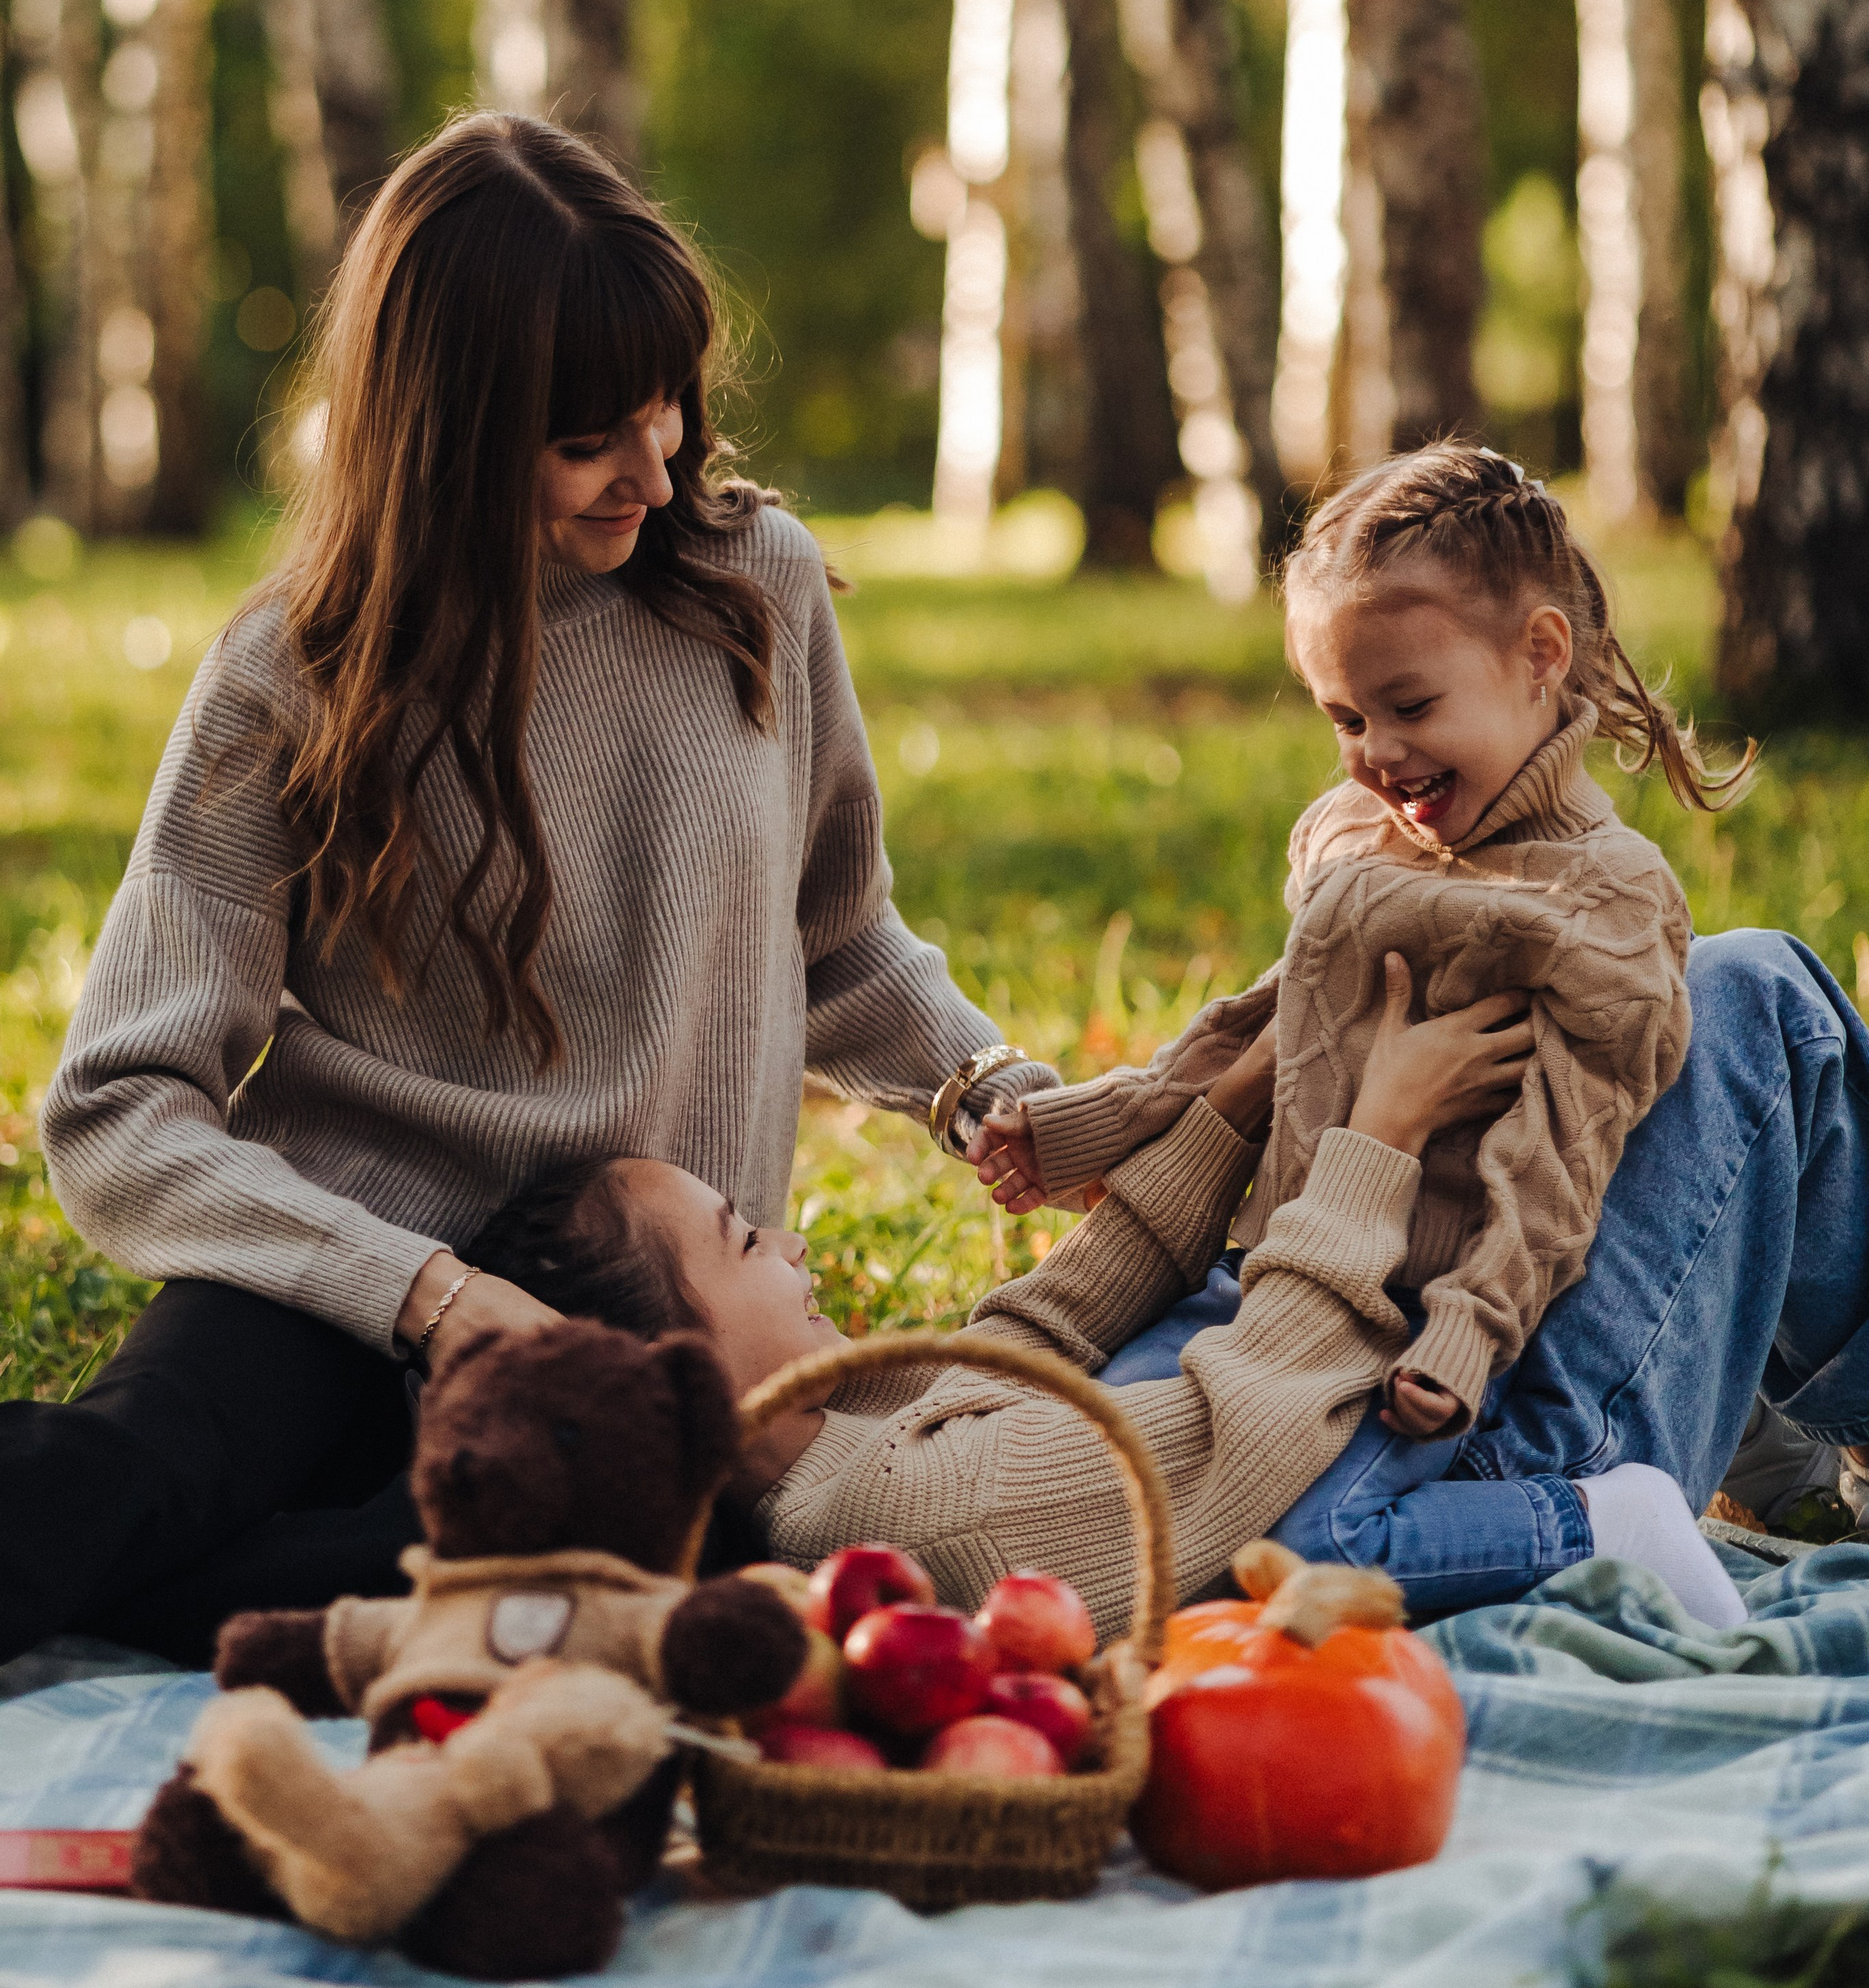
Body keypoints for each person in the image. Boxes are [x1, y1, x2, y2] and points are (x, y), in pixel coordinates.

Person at [1, 116, 1061, 1667]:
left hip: (633, 1310)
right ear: (443, 431)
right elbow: (121, 1102)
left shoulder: (750, 589)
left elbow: (837, 943)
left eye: (666, 412)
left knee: (571, 1584)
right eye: (587, 439)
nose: (654, 469)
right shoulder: (290, 678)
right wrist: (421, 1295)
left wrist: (983, 1089)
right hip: (341, 1263)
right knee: (140, 1477)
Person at [438, 928, 1869, 1641]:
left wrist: (1243, 1084)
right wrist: (1370, 1129)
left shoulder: (854, 1444)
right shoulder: (906, 1506)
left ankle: (1778, 1432)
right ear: (685, 1375)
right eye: (746, 1245)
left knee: (1592, 1039)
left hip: (1398, 1396)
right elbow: (1246, 1422)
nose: (795, 1243)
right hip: (1452, 1432)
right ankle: (1785, 1438)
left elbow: (1068, 1306)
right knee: (1756, 1005)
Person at [970, 447, 1757, 1614]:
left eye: (1410, 706)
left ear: (1539, 658)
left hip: (1408, 1332)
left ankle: (1612, 1520)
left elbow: (1559, 1156)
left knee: (1242, 1552)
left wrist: (1466, 1338)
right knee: (1100, 1479)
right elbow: (1261, 1026)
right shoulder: (1360, 832)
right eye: (1345, 716)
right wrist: (1098, 1124)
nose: (1379, 754)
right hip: (1270, 1285)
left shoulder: (1602, 904)